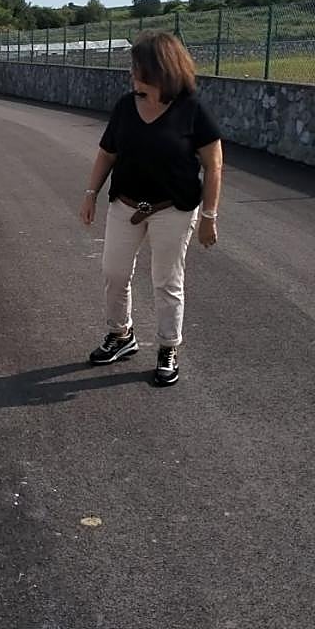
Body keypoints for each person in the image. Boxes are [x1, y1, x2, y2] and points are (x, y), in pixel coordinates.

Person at [78, 31, 223, 386]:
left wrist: (209, 216)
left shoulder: (192, 108)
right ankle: (121, 335)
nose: (132, 74)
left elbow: (214, 164)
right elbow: (107, 152)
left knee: (166, 281)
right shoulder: (126, 106)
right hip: (126, 204)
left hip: (173, 209)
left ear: (160, 69)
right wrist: (90, 192)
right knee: (113, 272)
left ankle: (167, 347)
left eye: (137, 68)